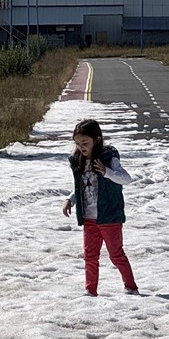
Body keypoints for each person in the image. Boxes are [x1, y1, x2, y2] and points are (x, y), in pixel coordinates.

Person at [61, 118, 139, 296]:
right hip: (89, 218)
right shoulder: (79, 161)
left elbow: (126, 179)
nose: (81, 147)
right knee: (90, 256)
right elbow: (83, 187)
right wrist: (70, 199)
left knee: (116, 255)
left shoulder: (108, 159)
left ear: (97, 139)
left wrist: (107, 172)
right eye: (78, 143)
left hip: (109, 217)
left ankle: (131, 287)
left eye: (85, 142)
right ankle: (90, 290)